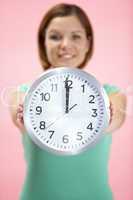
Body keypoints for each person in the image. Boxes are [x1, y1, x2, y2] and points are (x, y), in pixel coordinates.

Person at [9, 3, 126, 200]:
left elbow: (116, 118)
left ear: (88, 43)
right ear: (43, 42)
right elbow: (19, 117)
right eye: (55, 36)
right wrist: (25, 117)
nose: (65, 45)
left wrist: (107, 116)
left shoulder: (112, 94)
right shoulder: (21, 94)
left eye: (76, 36)